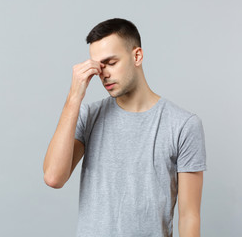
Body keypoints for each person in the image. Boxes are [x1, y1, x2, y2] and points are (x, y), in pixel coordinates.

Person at [43, 18, 207, 237]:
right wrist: (74, 97)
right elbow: (54, 177)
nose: (104, 74)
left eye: (111, 62)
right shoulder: (88, 116)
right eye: (99, 67)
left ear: (137, 56)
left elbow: (189, 217)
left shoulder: (183, 125)